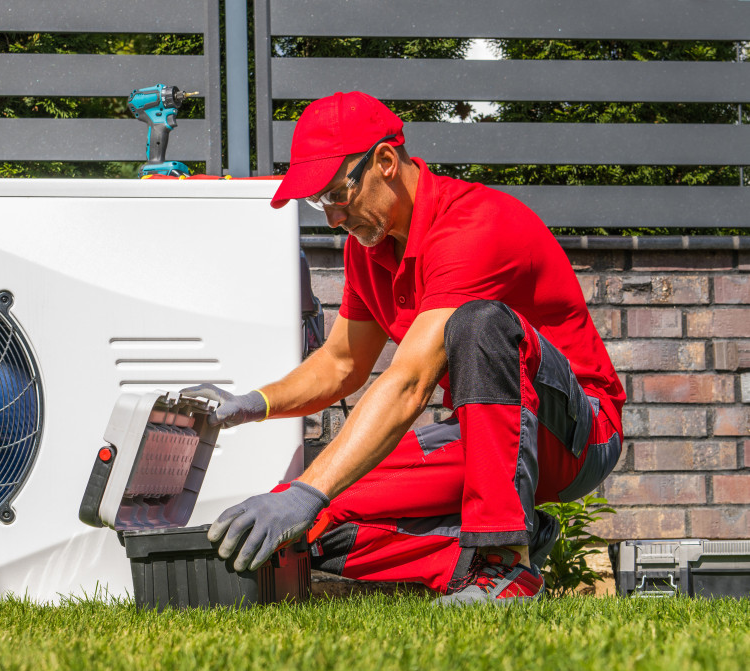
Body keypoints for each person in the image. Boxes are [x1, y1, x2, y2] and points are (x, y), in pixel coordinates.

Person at [183, 91, 624, 605]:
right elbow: (340, 363)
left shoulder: (473, 225)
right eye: (317, 203)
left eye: (336, 195)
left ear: (386, 162)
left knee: (479, 323)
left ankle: (505, 564)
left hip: (577, 433)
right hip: (486, 438)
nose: (331, 218)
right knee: (310, 526)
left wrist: (309, 488)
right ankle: (498, 549)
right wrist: (249, 405)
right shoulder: (367, 250)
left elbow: (410, 381)